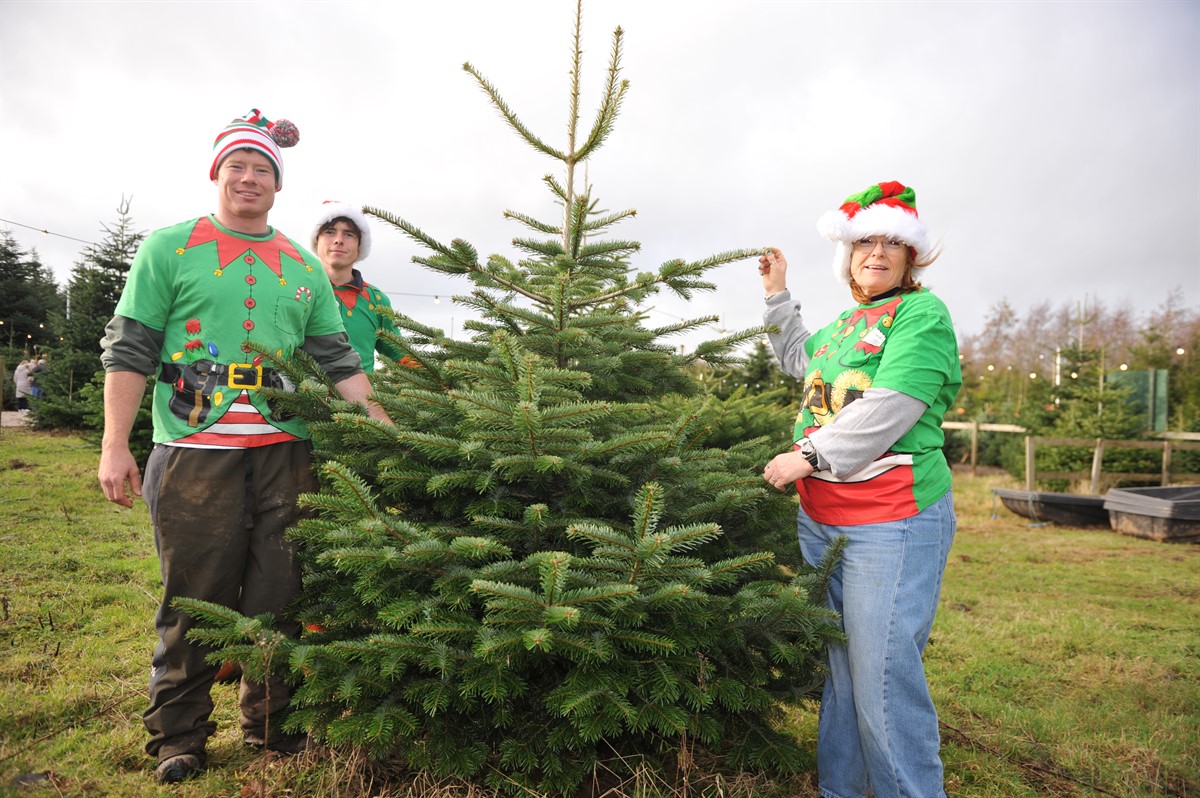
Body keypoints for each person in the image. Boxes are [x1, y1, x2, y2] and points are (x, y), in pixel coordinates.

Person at [98, 108, 391, 785]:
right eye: (238, 167)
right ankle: (179, 736)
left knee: (279, 593)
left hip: (287, 450)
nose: (249, 178)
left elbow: (338, 357)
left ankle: (271, 728)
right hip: (193, 449)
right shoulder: (168, 249)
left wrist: (380, 426)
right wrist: (116, 444)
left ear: (277, 184)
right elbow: (130, 347)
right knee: (193, 595)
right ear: (217, 173)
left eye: (262, 169)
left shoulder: (302, 266)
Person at [758, 181, 961, 798]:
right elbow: (799, 359)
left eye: (891, 243)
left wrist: (809, 455)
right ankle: (840, 789)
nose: (876, 252)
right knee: (845, 671)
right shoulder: (848, 323)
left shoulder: (921, 316)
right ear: (848, 254)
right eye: (864, 241)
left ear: (911, 257)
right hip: (823, 520)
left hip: (889, 521)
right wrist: (777, 295)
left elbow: (893, 407)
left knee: (881, 677)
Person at [309, 201, 406, 371]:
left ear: (360, 247)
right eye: (330, 232)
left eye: (348, 234)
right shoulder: (299, 291)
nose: (339, 240)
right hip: (303, 396)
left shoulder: (376, 300)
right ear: (316, 242)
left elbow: (401, 355)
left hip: (361, 397)